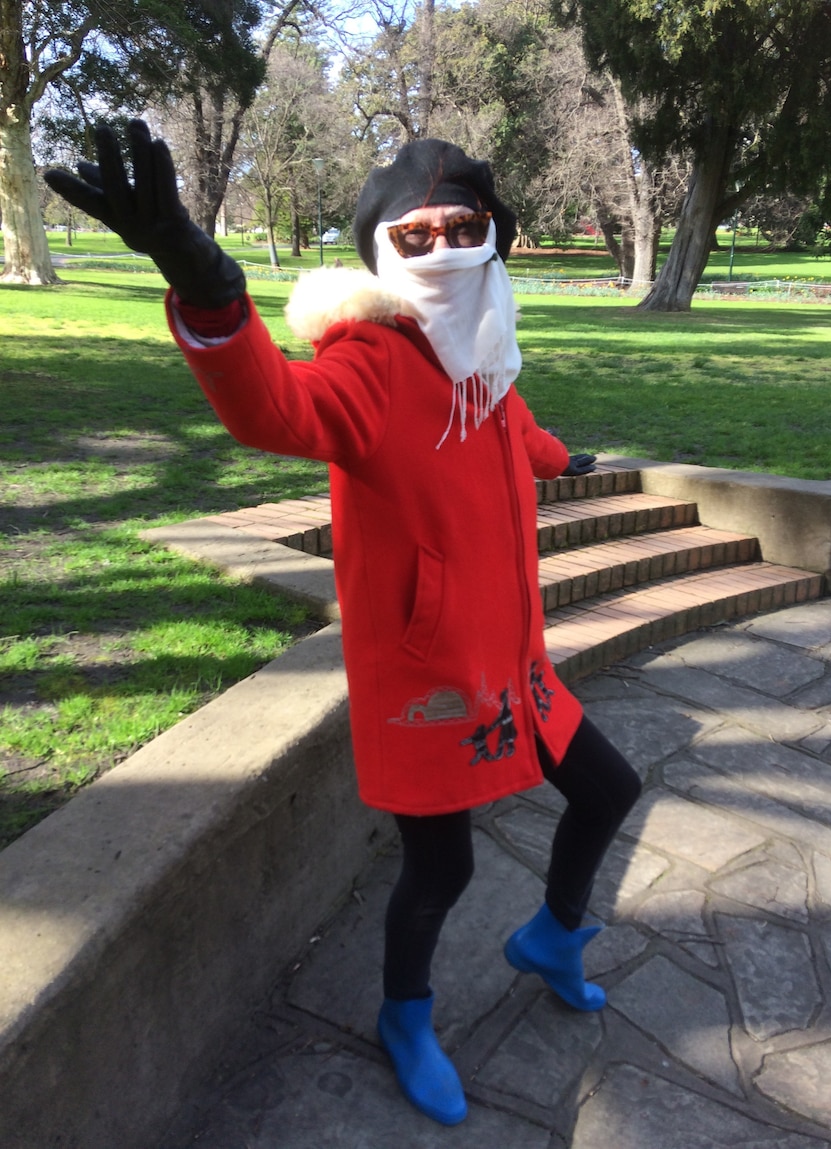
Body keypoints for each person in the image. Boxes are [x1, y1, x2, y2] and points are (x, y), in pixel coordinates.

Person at [46, 124, 642, 1127]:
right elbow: (273, 406)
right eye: (418, 236)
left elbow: (504, 411)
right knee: (440, 865)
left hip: (512, 655)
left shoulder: (478, 342)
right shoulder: (369, 361)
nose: (448, 248)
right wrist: (206, 286)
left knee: (608, 788)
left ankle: (553, 934)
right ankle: (404, 1017)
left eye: (467, 227)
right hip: (427, 673)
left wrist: (552, 457)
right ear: (379, 253)